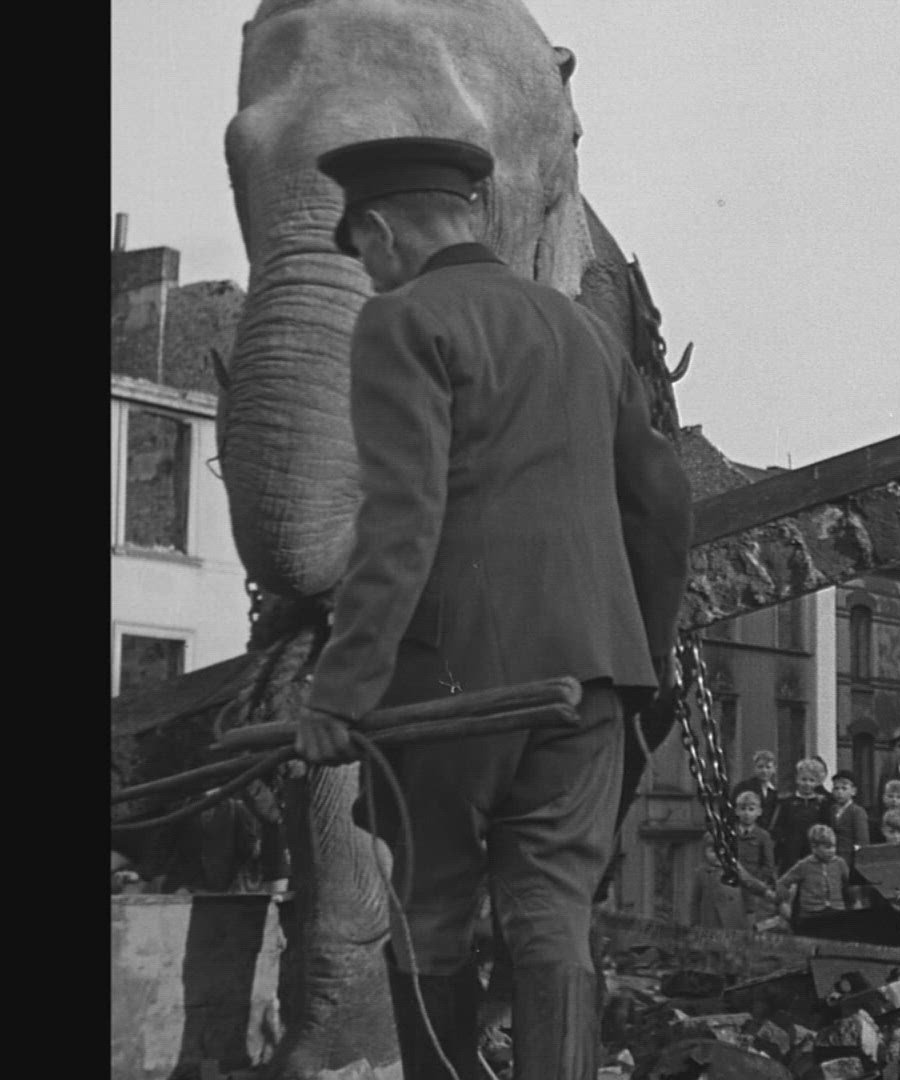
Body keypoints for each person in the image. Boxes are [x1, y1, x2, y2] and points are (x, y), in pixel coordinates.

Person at [295, 136, 693, 1080]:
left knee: (431, 906)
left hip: (454, 691)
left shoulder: (402, 320)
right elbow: (663, 502)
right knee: (554, 913)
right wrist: (636, 655)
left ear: (381, 229)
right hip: (591, 684)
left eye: (364, 251)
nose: (369, 272)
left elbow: (401, 523)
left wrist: (340, 694)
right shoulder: (584, 331)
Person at [777, 823, 850, 926]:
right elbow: (782, 883)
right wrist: (784, 903)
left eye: (834, 846)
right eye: (827, 847)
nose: (832, 851)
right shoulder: (804, 865)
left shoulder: (840, 863)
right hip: (811, 913)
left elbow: (850, 884)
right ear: (814, 847)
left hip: (836, 910)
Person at [770, 759, 834, 872]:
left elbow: (828, 829)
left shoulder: (823, 804)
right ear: (797, 779)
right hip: (790, 856)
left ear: (817, 782)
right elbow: (777, 830)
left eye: (811, 780)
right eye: (804, 779)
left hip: (814, 855)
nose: (807, 784)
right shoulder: (786, 803)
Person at [730, 790, 780, 923]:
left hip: (754, 887)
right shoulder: (730, 833)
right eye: (743, 809)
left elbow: (769, 865)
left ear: (759, 812)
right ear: (736, 811)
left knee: (751, 920)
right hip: (732, 885)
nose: (747, 813)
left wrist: (755, 880)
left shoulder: (763, 836)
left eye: (751, 809)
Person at [730, 750, 783, 831]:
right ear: (754, 768)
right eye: (760, 767)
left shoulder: (774, 792)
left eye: (768, 767)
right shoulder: (743, 787)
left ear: (774, 769)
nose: (764, 771)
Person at [826, 771, 870, 864]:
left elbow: (862, 840)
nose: (840, 792)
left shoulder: (857, 811)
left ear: (853, 791)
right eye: (836, 788)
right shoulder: (832, 810)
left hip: (850, 858)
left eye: (844, 788)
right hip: (833, 857)